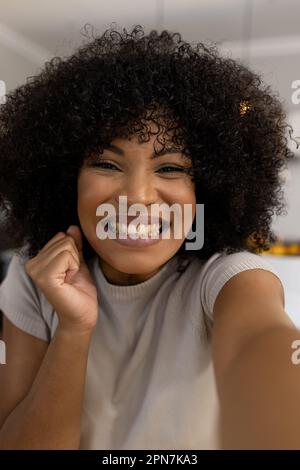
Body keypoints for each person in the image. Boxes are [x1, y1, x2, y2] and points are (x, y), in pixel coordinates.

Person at [0, 25, 298, 450]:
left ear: (207, 191)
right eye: (106, 163)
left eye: (171, 168)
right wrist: (74, 328)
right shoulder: (33, 278)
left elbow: (262, 344)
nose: (136, 197)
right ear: (69, 179)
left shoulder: (227, 278)